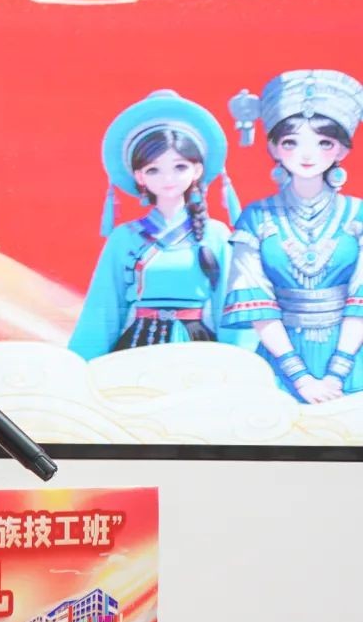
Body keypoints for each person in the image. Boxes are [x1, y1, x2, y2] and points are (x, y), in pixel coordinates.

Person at [69, 90, 243, 360]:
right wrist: (82, 362)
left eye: (179, 167)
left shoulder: (216, 234)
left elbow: (232, 307)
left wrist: (242, 360)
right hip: (139, 347)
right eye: (153, 170)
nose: (167, 178)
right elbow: (103, 309)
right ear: (139, 176)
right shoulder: (124, 237)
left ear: (197, 170)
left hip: (197, 348)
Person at [224, 70, 363, 403]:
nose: (307, 154)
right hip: (278, 362)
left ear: (342, 150)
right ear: (274, 147)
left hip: (352, 357)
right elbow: (257, 303)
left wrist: (336, 373)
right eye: (291, 142)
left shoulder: (358, 215)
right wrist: (301, 378)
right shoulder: (256, 217)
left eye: (324, 143)